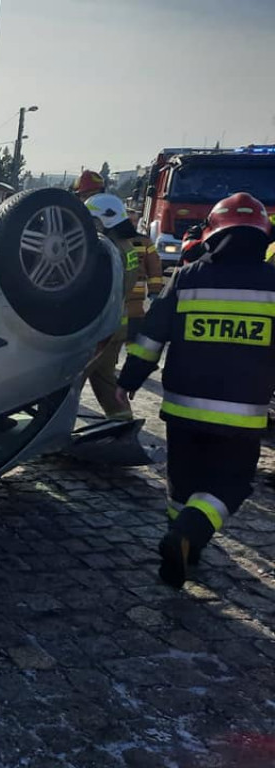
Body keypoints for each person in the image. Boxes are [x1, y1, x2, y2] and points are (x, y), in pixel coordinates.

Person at [117, 192, 275, 589]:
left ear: (211, 234)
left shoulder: (188, 278)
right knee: (231, 483)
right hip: (241, 414)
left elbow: (152, 337)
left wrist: (128, 381)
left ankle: (186, 547)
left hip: (182, 408)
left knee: (182, 485)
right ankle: (190, 533)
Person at [82, 192, 160, 419]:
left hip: (101, 328)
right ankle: (122, 420)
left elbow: (95, 288)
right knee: (104, 379)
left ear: (104, 220)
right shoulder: (126, 245)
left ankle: (52, 430)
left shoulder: (107, 248)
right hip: (117, 325)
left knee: (70, 380)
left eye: (92, 220)